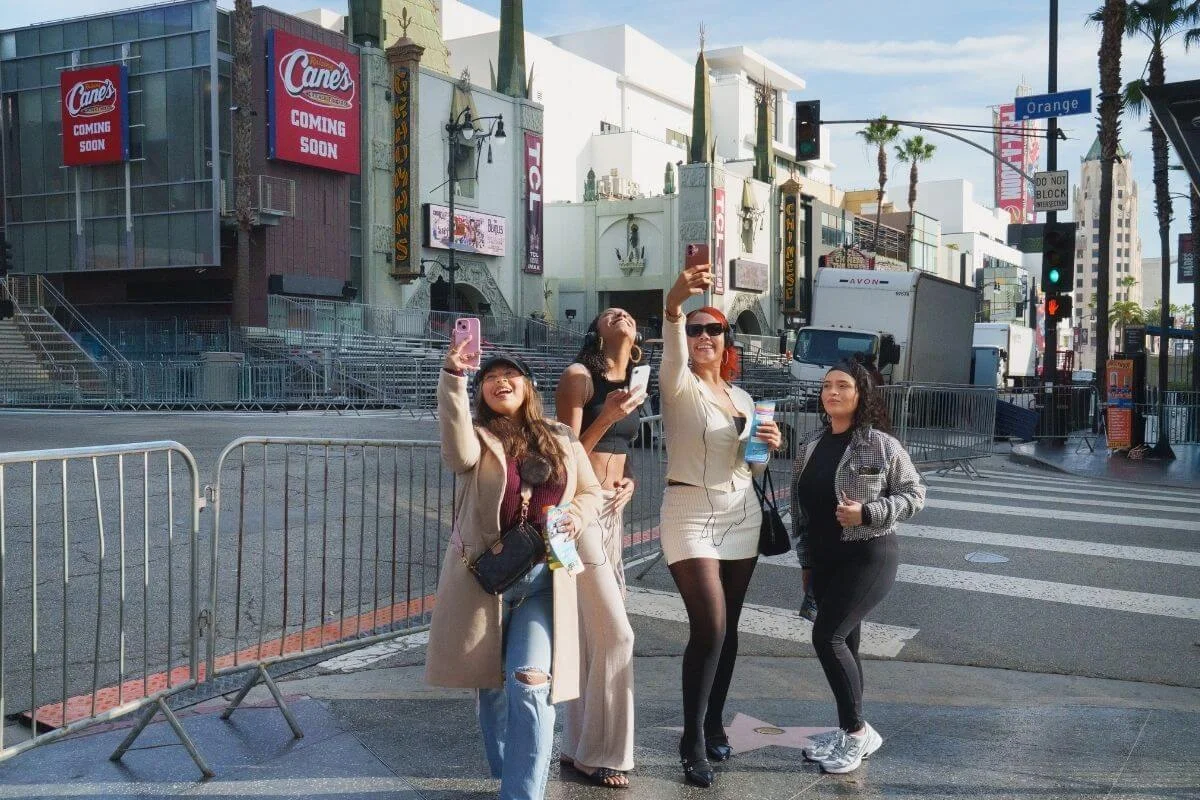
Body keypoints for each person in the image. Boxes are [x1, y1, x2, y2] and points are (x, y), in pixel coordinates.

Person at [426, 342, 604, 800]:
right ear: (482, 390)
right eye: (491, 377)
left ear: (528, 387)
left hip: (545, 583)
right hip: (485, 584)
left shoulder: (561, 437)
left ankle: (521, 793)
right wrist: (453, 375)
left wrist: (577, 516)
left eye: (511, 375)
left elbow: (590, 492)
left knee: (529, 680)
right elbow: (454, 450)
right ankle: (509, 769)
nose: (501, 382)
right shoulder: (476, 437)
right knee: (493, 686)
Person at [659, 263, 783, 788]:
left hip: (741, 514)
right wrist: (675, 303)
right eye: (695, 329)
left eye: (713, 329)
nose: (703, 335)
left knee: (728, 630)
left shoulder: (744, 398)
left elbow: (751, 466)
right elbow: (670, 333)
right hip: (688, 513)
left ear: (727, 340)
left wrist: (768, 447)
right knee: (708, 626)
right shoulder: (678, 383)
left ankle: (713, 722)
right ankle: (691, 738)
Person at [789, 359, 925, 775]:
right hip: (826, 559)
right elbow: (802, 512)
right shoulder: (811, 444)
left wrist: (868, 512)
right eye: (827, 385)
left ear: (860, 394)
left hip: (869, 553)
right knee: (845, 643)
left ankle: (857, 730)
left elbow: (915, 493)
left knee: (827, 637)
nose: (832, 392)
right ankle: (852, 731)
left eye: (843, 386)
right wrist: (807, 563)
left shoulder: (880, 444)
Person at [554, 308, 646, 789]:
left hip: (613, 509)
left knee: (592, 633)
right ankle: (606, 753)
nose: (619, 314)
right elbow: (563, 454)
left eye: (625, 313)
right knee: (617, 634)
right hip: (576, 513)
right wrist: (608, 415)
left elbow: (619, 454)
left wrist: (627, 479)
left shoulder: (634, 381)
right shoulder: (578, 378)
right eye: (608, 314)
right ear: (596, 331)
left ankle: (577, 747)